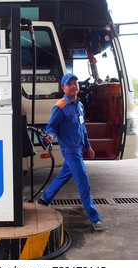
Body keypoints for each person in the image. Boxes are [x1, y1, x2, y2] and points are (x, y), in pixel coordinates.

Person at [37, 73, 104, 231]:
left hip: (79, 148)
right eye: (69, 84)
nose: (73, 86)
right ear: (63, 88)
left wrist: (88, 146)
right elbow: (51, 126)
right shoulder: (60, 107)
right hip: (70, 151)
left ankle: (44, 199)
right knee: (83, 183)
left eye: (75, 83)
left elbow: (82, 128)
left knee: (63, 176)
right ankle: (94, 218)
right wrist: (50, 136)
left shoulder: (79, 105)